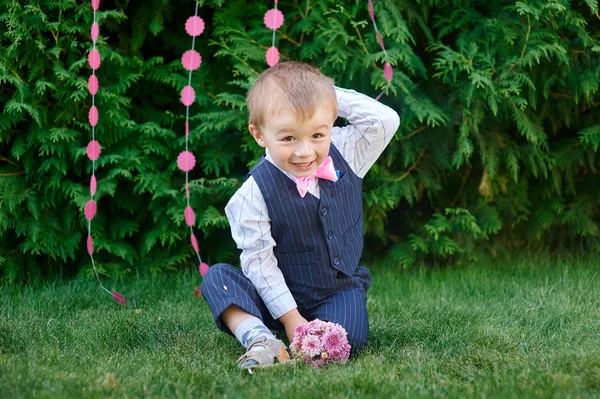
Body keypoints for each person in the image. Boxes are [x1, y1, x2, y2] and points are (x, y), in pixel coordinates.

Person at [201, 61, 400, 368]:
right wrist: (292, 319)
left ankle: (309, 335)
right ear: (259, 134)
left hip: (334, 290)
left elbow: (385, 119)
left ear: (331, 123)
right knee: (217, 278)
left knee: (350, 339)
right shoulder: (252, 195)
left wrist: (325, 96)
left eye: (318, 135)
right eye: (288, 138)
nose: (305, 152)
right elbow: (260, 263)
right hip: (272, 296)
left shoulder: (346, 151)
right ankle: (261, 338)